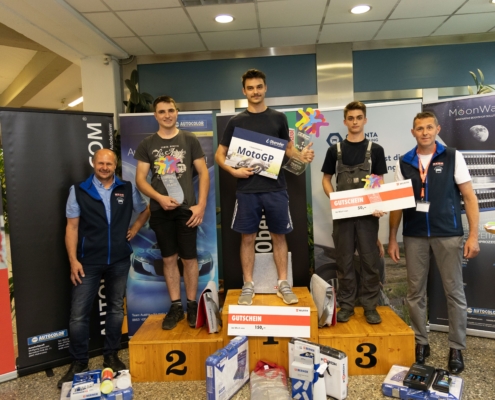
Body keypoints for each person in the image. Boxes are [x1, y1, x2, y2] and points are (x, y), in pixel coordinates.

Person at [388, 111, 479, 374]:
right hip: (414, 234)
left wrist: (473, 235)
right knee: (415, 293)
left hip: (448, 233)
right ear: (413, 132)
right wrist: (392, 238)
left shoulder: (452, 156)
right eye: (420, 128)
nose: (425, 132)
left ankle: (456, 348)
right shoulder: (404, 161)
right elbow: (396, 204)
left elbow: (469, 197)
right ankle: (421, 343)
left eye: (429, 127)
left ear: (437, 129)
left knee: (454, 292)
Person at [215, 69, 314, 306]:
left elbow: (287, 149)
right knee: (248, 238)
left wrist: (302, 156)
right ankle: (248, 285)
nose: (255, 91)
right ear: (244, 91)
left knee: (278, 236)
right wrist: (233, 171)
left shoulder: (278, 118)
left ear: (265, 88)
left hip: (276, 189)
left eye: (259, 87)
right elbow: (220, 154)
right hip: (247, 190)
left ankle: (283, 284)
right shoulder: (236, 121)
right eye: (250, 88)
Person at [58, 149, 149, 388]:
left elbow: (145, 209)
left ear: (115, 165)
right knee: (79, 314)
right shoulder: (79, 190)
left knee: (116, 309)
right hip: (87, 261)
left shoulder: (126, 188)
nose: (105, 167)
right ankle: (79, 362)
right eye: (101, 163)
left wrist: (135, 228)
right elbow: (71, 228)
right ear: (93, 163)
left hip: (119, 260)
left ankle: (111, 356)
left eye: (109, 164)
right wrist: (73, 260)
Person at [134, 95, 209, 330]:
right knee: (168, 258)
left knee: (189, 258)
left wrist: (201, 205)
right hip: (160, 209)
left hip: (186, 210)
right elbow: (140, 179)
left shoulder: (189, 139)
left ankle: (192, 305)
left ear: (176, 113)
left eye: (170, 110)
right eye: (162, 111)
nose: (167, 115)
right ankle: (176, 306)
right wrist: (159, 198)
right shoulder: (147, 144)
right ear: (155, 115)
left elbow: (203, 173)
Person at [321, 101, 387, 324]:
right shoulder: (335, 150)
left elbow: (378, 180)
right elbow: (326, 180)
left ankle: (370, 306)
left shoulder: (375, 150)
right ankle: (347, 305)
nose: (355, 122)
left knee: (369, 262)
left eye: (359, 118)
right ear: (345, 122)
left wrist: (376, 203)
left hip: (368, 217)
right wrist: (334, 199)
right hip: (343, 217)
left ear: (365, 120)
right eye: (351, 118)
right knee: (344, 261)